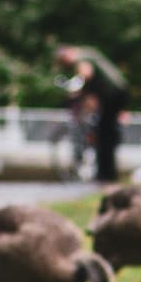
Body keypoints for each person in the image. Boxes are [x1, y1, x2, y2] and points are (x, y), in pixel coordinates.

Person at [56, 46, 128, 184]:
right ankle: (106, 174)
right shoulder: (88, 53)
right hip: (115, 94)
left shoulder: (81, 57)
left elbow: (86, 74)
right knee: (104, 133)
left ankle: (106, 176)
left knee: (104, 135)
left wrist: (77, 89)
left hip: (113, 95)